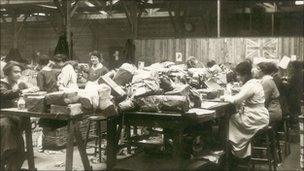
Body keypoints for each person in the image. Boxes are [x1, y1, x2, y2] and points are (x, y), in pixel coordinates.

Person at [222, 61, 269, 167]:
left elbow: (236, 100)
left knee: (231, 119)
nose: (238, 77)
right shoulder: (254, 83)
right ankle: (241, 151)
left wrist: (225, 97)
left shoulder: (250, 85)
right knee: (235, 118)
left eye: (239, 75)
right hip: (260, 115)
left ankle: (237, 152)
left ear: (246, 75)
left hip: (256, 117)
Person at [0, 61, 32, 170]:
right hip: (3, 117)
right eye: (16, 72)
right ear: (7, 73)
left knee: (20, 151)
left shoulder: (17, 83)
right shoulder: (1, 84)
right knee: (10, 145)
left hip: (14, 117)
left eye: (20, 72)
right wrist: (19, 88)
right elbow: (5, 94)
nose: (19, 74)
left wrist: (31, 90)